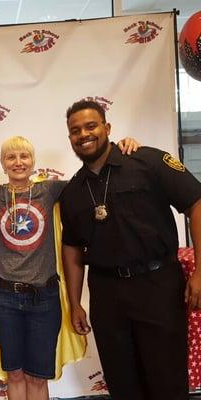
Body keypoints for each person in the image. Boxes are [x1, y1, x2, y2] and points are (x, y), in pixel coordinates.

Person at [0, 135, 139, 400]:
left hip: (44, 299)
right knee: (14, 375)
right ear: (2, 164)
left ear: (33, 162)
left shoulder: (48, 190)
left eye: (24, 156)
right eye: (11, 157)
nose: (18, 162)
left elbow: (92, 177)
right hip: (5, 299)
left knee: (38, 377)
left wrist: (123, 148)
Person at [60, 99, 201, 400]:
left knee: (167, 382)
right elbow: (71, 251)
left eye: (91, 125)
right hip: (107, 294)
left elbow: (196, 204)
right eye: (75, 130)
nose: (84, 134)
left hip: (158, 285)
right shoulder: (72, 191)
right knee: (123, 383)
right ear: (70, 137)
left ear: (107, 128)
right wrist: (74, 303)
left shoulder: (146, 161)